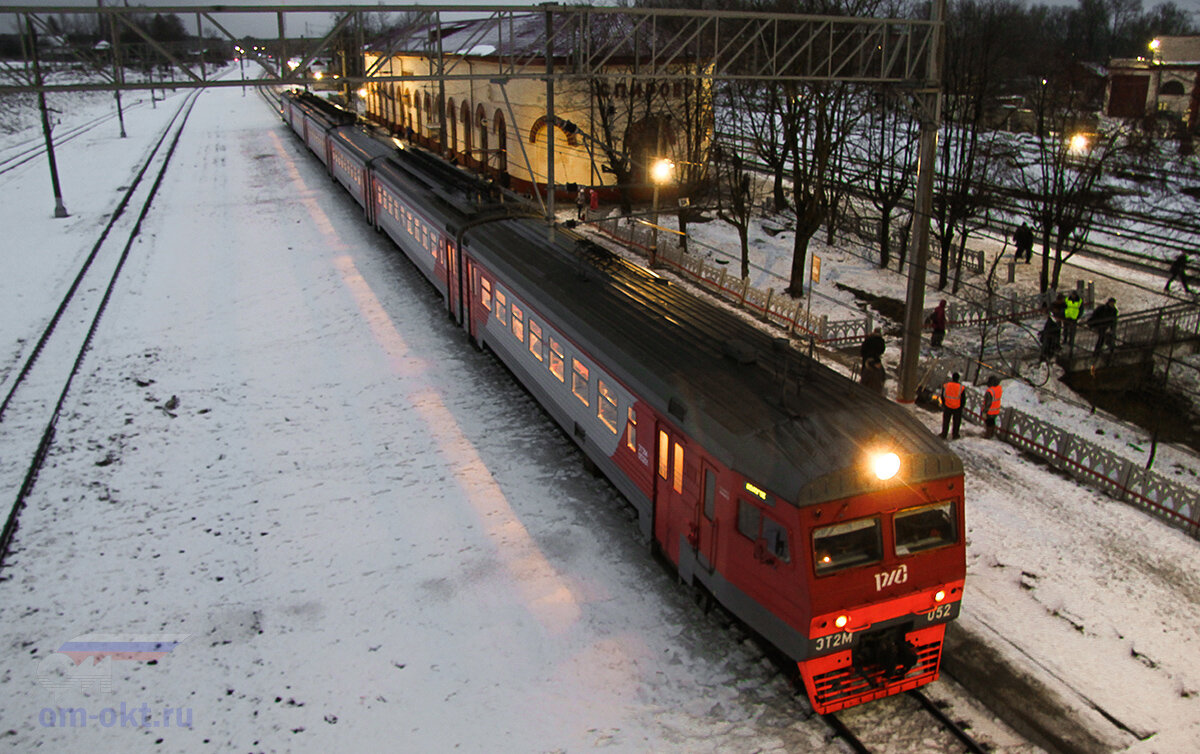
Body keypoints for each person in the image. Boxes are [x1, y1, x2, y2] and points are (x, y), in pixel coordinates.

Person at [939, 372, 964, 440]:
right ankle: (955, 435)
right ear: (958, 379)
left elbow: (942, 396)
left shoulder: (946, 385)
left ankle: (944, 434)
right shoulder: (961, 388)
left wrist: (944, 403)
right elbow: (963, 399)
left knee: (946, 421)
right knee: (956, 422)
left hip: (947, 406)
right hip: (957, 408)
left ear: (952, 378)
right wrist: (961, 407)